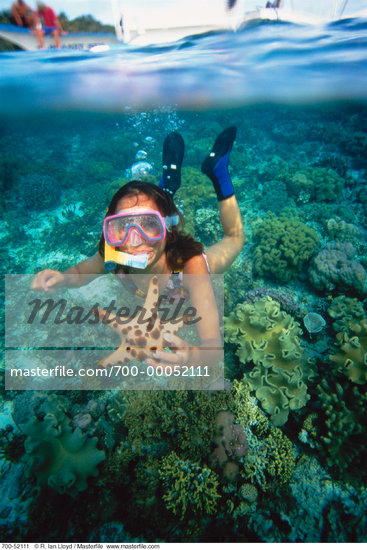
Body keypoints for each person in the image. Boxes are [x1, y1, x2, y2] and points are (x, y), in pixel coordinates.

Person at [31, 128, 244, 367]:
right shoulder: (114, 255)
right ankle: (167, 187)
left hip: (182, 262)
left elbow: (212, 347)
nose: (135, 240)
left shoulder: (192, 267)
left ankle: (218, 173)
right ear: (110, 231)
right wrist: (62, 278)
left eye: (149, 225)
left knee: (235, 238)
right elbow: (80, 274)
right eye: (123, 226)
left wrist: (194, 356)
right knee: (155, 205)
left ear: (167, 229)